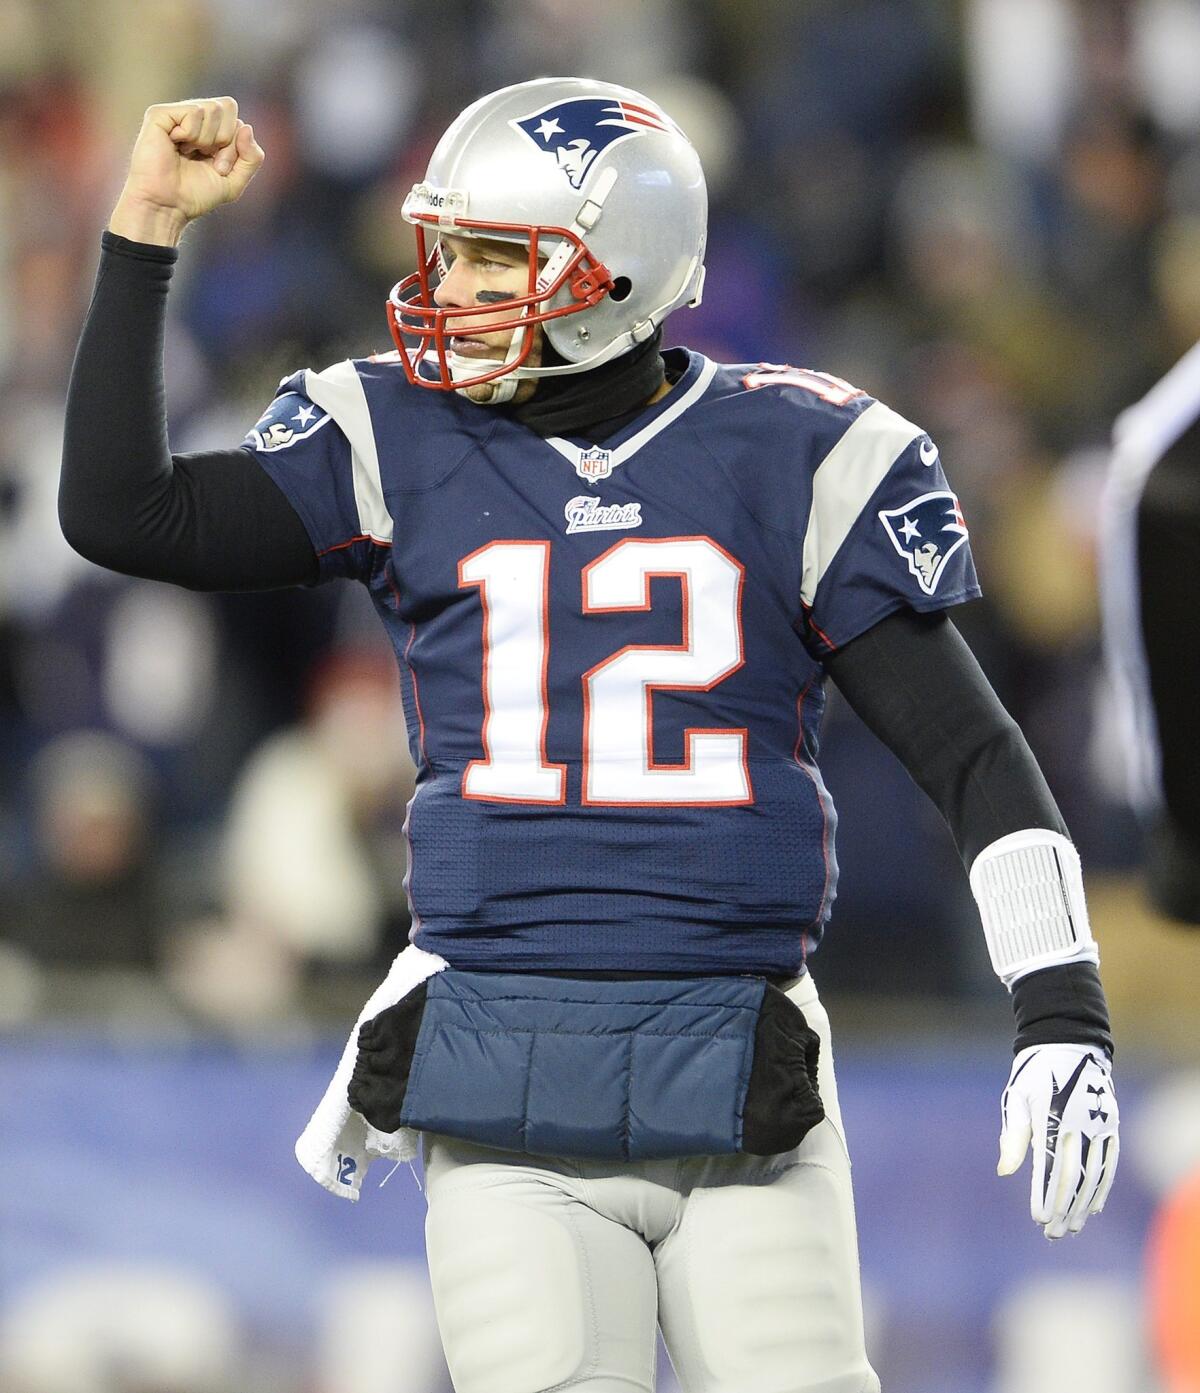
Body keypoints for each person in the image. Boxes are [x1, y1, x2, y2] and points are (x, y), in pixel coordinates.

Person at [62, 80, 1120, 1393]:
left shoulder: (788, 449)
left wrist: (1061, 999)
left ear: (618, 268)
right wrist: (146, 225)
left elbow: (972, 751)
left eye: (493, 254)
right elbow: (123, 512)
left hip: (745, 1077)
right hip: (504, 1071)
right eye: (443, 248)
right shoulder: (401, 431)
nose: (449, 286)